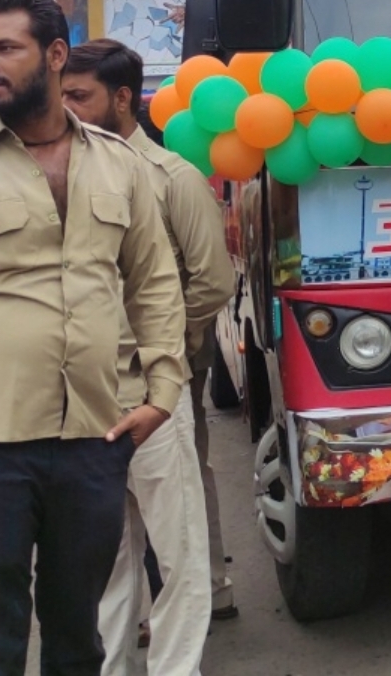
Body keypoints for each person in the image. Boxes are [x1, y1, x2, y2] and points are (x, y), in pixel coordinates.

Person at [0, 0, 187, 676]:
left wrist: (163, 392)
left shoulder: (122, 166)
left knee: (79, 636)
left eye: (4, 48)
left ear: (54, 55)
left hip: (92, 440)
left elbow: (153, 283)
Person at [63, 39, 232, 675]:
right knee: (106, 554)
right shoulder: (59, 175)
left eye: (80, 96)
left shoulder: (174, 178)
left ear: (124, 98)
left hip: (157, 392)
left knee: (177, 545)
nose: (67, 109)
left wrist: (160, 353)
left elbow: (211, 283)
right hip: (80, 399)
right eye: (62, 96)